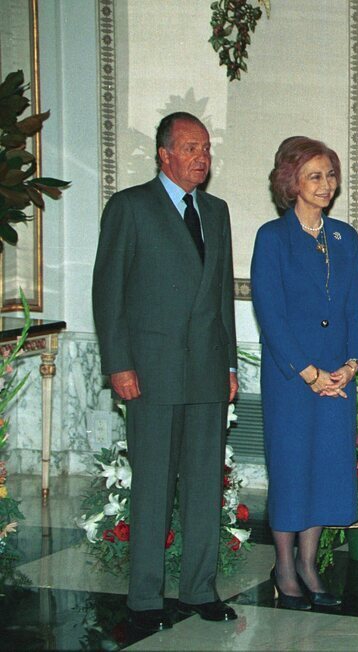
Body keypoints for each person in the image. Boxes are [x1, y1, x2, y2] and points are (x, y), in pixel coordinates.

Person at [92, 112, 238, 631]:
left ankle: (200, 590)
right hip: (150, 372)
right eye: (191, 148)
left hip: (205, 370)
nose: (202, 157)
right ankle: (145, 600)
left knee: (204, 485)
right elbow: (108, 293)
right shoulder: (130, 207)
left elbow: (221, 296)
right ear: (164, 155)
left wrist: (228, 364)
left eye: (206, 149)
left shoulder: (216, 212)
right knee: (153, 484)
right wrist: (118, 364)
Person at [251, 136, 358, 611]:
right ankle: (284, 567)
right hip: (292, 379)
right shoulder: (271, 237)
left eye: (330, 175)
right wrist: (308, 372)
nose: (325, 184)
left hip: (337, 378)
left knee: (325, 468)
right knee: (291, 469)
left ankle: (310, 563)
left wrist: (349, 365)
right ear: (291, 182)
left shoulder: (344, 236)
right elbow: (270, 314)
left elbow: (356, 305)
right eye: (315, 176)